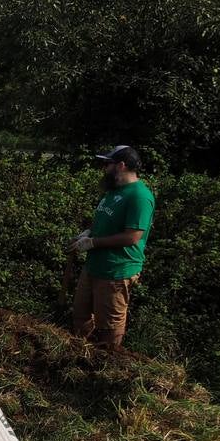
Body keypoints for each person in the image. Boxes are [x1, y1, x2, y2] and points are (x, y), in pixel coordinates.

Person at [68, 145, 155, 350]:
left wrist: (93, 243)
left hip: (116, 270)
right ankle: (81, 354)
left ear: (121, 165)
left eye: (107, 164)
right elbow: (106, 222)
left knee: (109, 326)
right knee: (81, 316)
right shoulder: (114, 190)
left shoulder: (139, 196)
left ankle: (108, 363)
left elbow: (133, 236)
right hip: (94, 265)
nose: (104, 168)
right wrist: (89, 233)